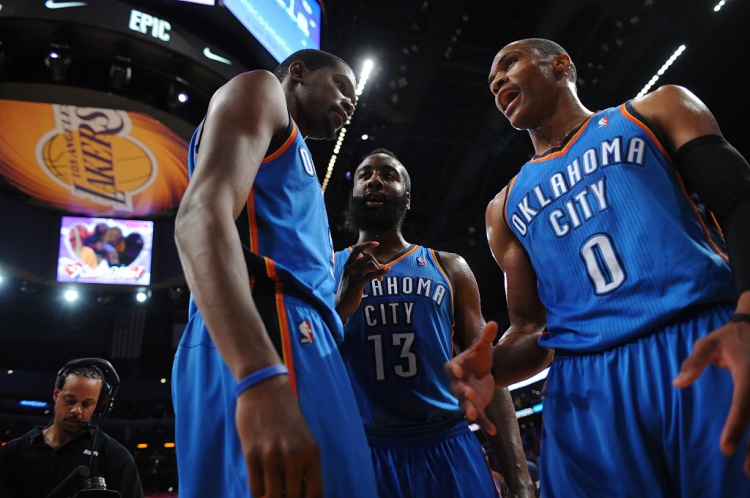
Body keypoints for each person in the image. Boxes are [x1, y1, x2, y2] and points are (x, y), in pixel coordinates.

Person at [444, 38, 750, 497]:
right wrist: (493, 369)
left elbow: (739, 200)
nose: (498, 82)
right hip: (584, 388)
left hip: (696, 338)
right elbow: (530, 329)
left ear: (560, 65)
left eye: (510, 63)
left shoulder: (658, 109)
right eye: (491, 83)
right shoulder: (503, 208)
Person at [172, 49, 379, 498]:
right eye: (341, 85)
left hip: (299, 333)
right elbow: (197, 218)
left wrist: (340, 302)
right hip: (267, 330)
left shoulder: (293, 155)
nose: (349, 102)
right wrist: (258, 375)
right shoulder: (261, 88)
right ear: (298, 72)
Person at [334, 149, 535, 497]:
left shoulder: (449, 267)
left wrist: (519, 476)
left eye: (388, 175)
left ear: (408, 198)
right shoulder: (326, 269)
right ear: (353, 193)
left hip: (446, 443)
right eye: (365, 175)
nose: (375, 181)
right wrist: (340, 306)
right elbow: (306, 362)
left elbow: (486, 372)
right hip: (365, 449)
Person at [0, 358, 144, 498]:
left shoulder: (116, 458)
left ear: (99, 406)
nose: (76, 410)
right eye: (70, 401)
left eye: (87, 404)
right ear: (56, 394)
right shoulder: (13, 452)